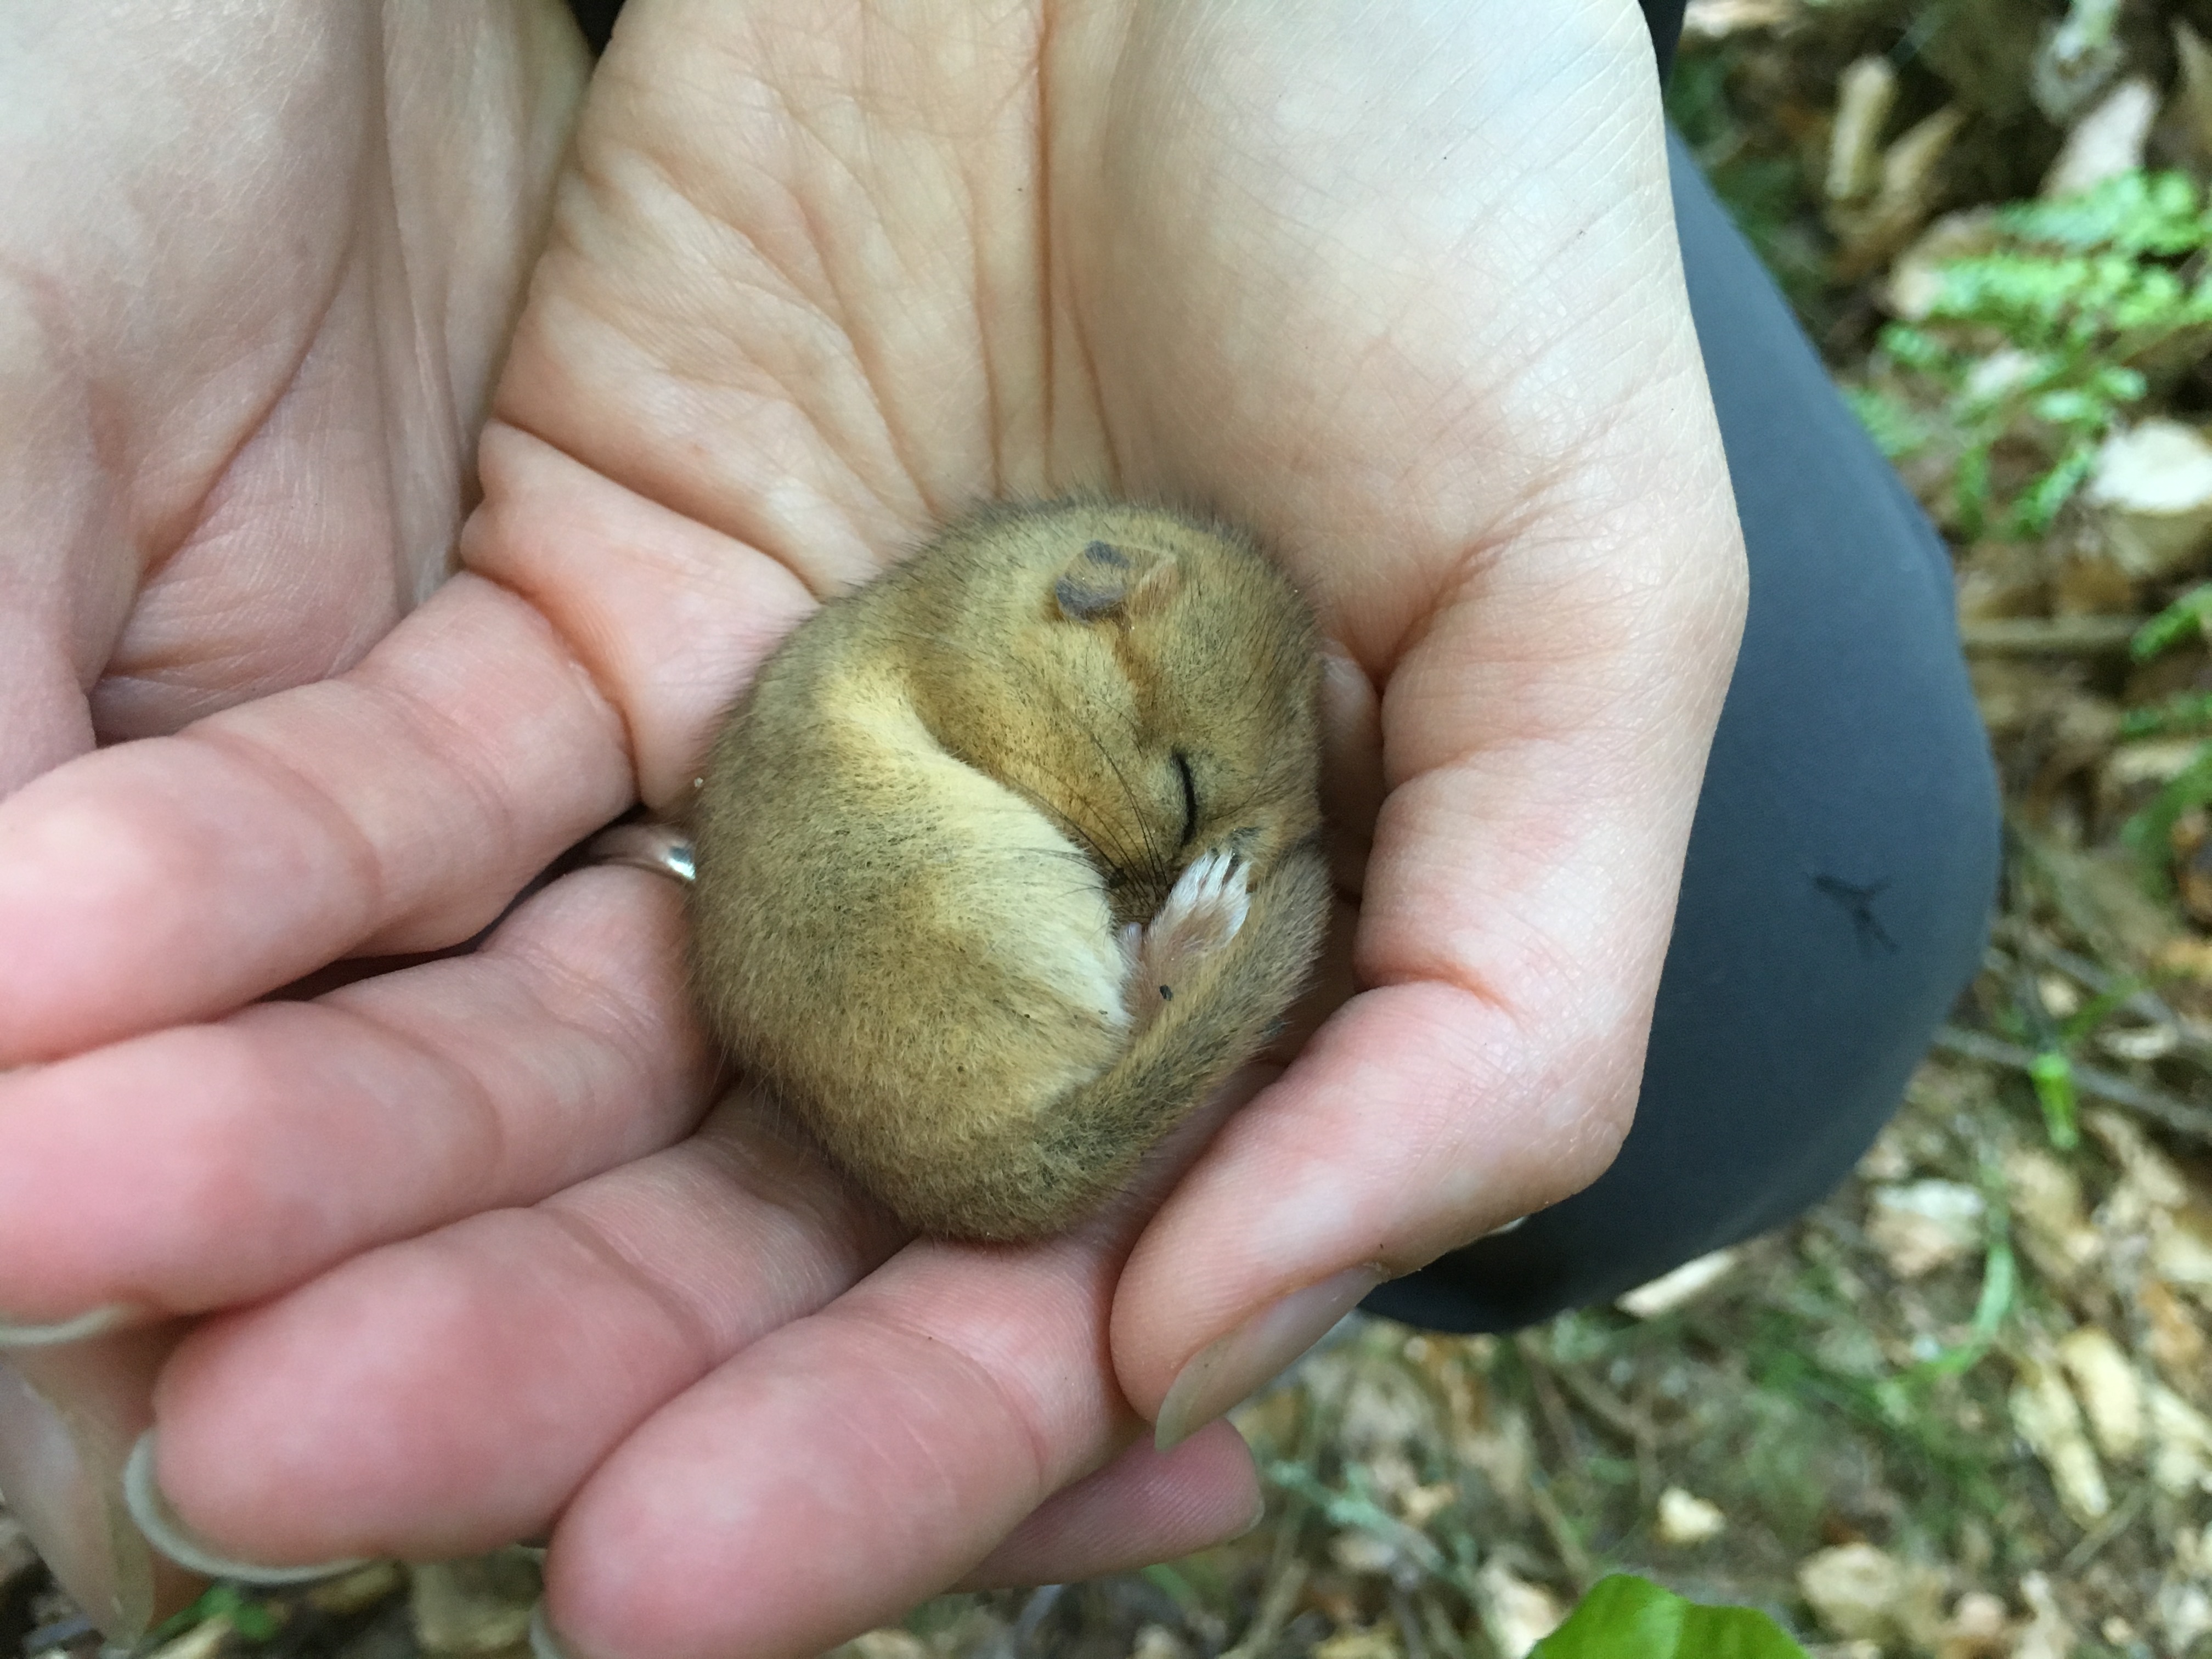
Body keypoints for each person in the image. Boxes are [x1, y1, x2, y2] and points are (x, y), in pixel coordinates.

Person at [0, 1, 1995, 1655]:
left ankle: (1144, 1090)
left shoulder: (1064, 653)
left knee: (1801, 924)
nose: (1171, 838)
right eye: (1188, 799)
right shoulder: (988, 651)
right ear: (1096, 607)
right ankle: (1124, 1062)